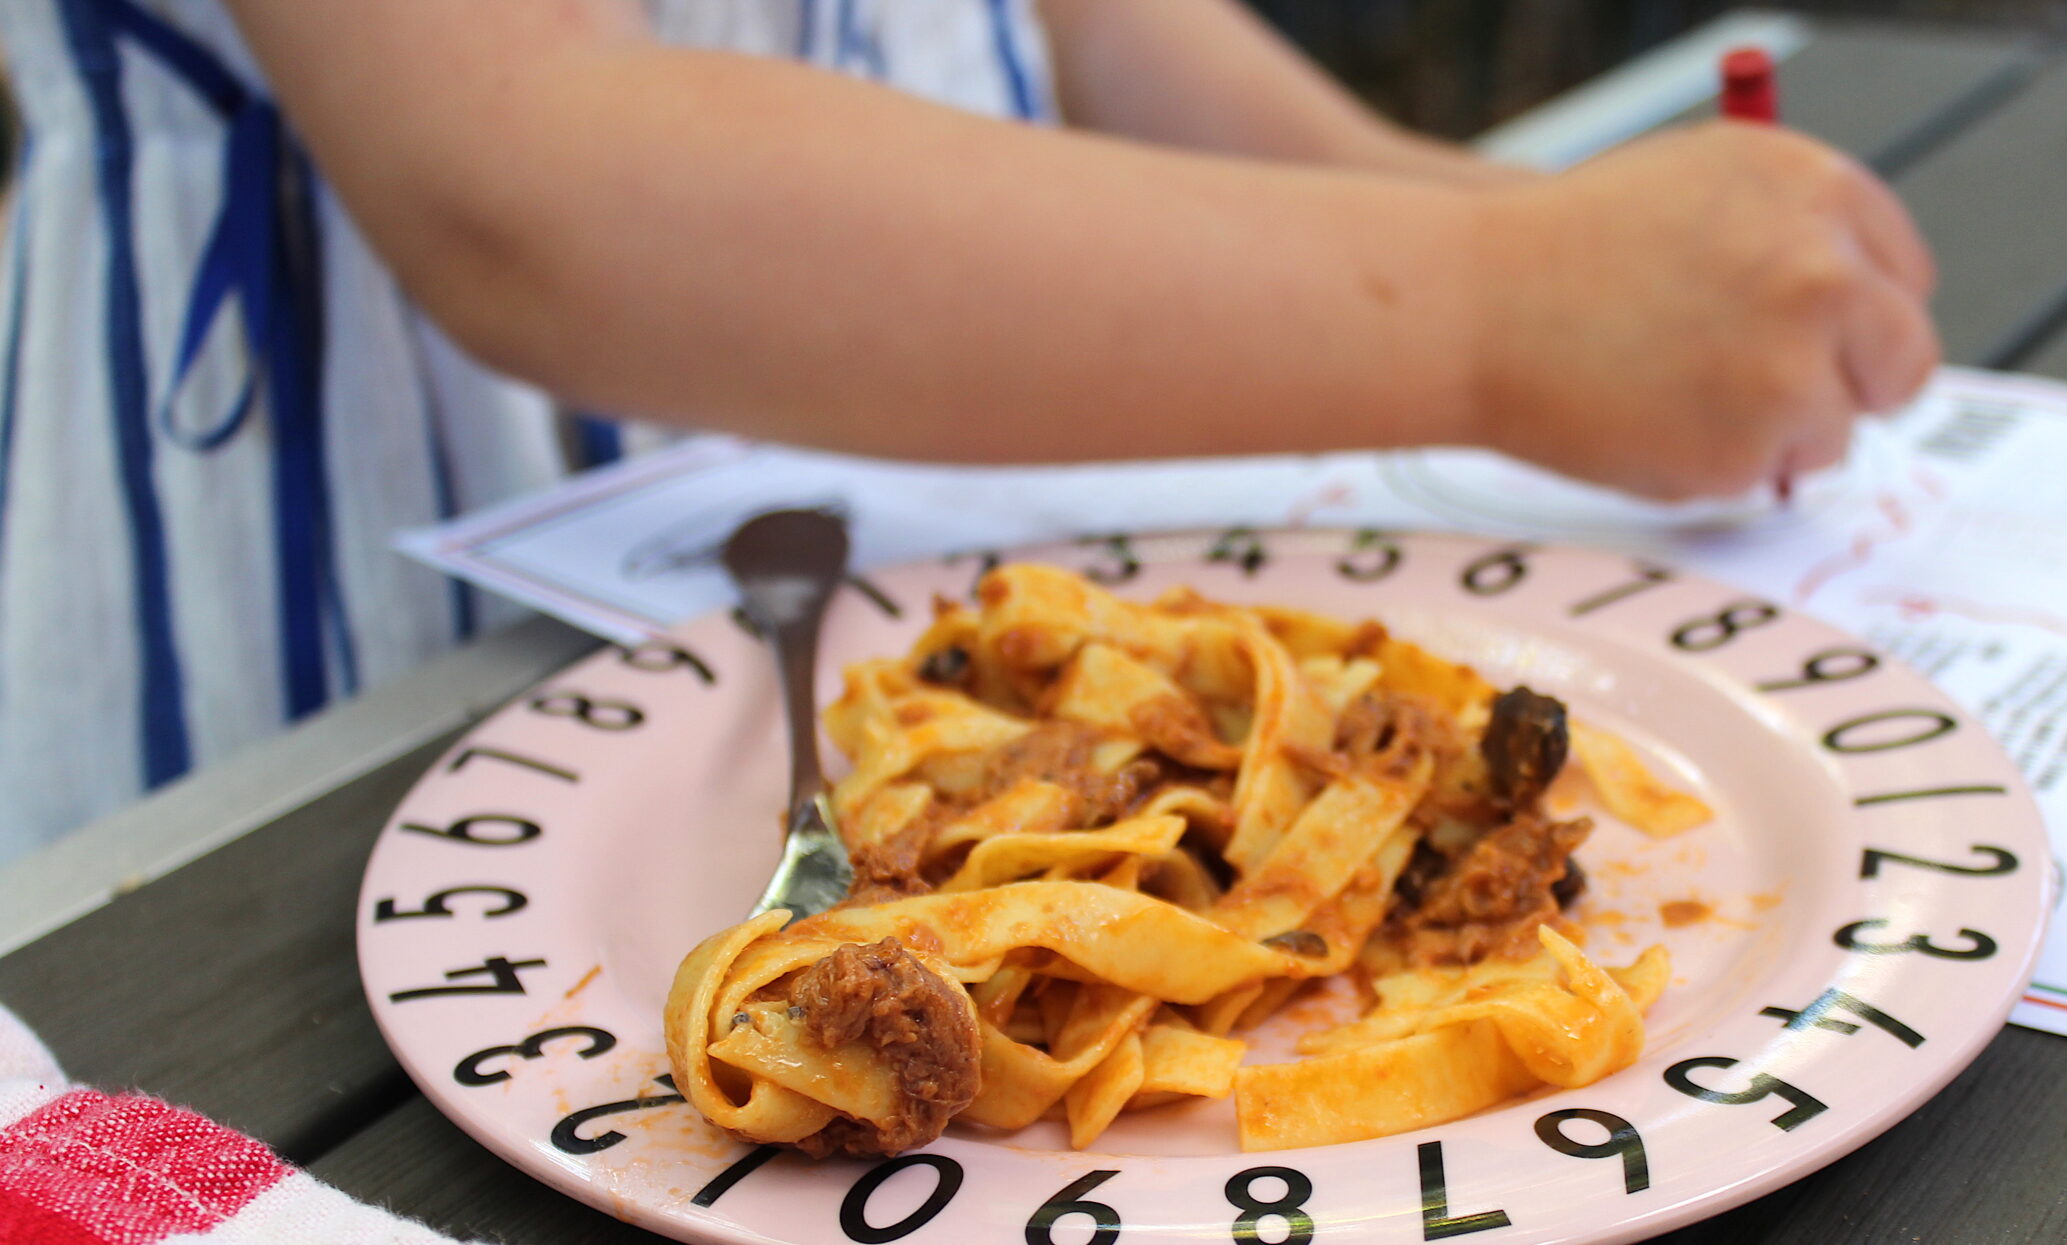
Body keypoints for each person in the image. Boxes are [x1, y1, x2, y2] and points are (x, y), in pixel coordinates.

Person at [0, 0, 1937, 864]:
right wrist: (1508, 317)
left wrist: (1501, 224)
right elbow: (526, 176)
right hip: (394, 559)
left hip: (948, 500)